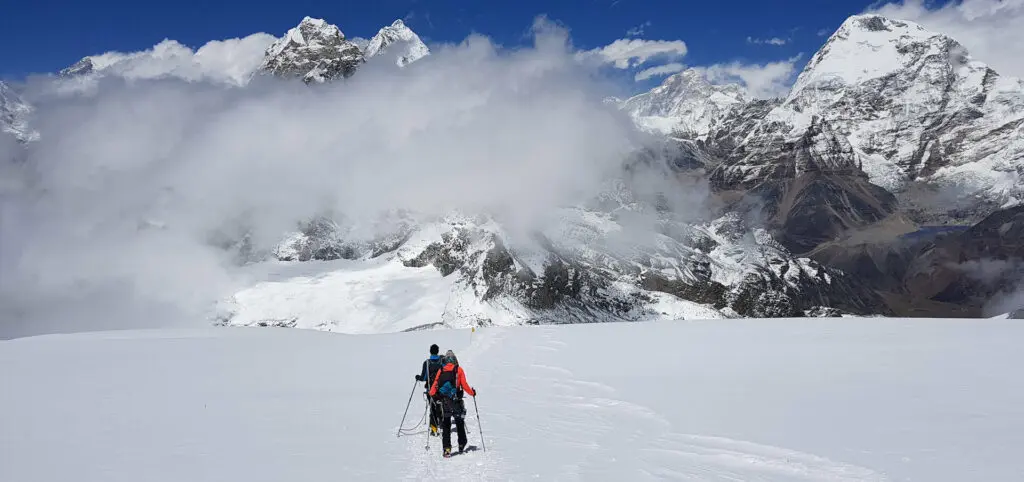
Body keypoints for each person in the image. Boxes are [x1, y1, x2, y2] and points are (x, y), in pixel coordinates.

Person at [428, 350, 477, 458]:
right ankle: (461, 443)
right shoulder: (458, 370)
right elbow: (464, 385)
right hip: (456, 401)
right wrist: (472, 393)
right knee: (459, 422)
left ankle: (447, 449)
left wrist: (431, 394)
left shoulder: (441, 370)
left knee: (446, 425)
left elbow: (435, 385)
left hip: (444, 402)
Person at [415, 344, 444, 436]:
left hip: (430, 389)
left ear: (430, 351)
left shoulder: (427, 363)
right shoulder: (442, 361)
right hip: (441, 389)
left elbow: (424, 377)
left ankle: (434, 428)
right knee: (440, 406)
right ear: (438, 351)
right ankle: (441, 423)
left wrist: (418, 377)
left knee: (432, 408)